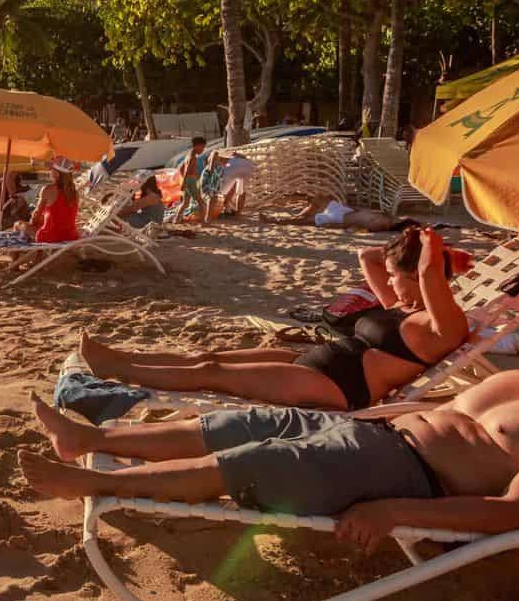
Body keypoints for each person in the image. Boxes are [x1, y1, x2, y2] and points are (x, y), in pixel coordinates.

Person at [22, 301, 519, 551]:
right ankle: (91, 440)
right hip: (374, 432)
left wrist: (393, 510)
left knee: (265, 464)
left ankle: (92, 485)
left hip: (408, 475)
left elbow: (514, 511)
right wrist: (361, 415)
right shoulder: (518, 382)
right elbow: (436, 412)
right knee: (243, 422)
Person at [75, 228, 469, 410]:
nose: (390, 284)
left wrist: (432, 242)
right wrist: (416, 244)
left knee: (212, 371)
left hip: (336, 385)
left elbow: (432, 275)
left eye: (397, 277)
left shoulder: (442, 325)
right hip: (315, 360)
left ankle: (119, 371)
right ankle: (122, 361)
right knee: (208, 356)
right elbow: (368, 258)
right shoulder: (403, 308)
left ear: (417, 275)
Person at [13, 158, 81, 243]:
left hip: (51, 236)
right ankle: (38, 256)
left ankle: (15, 256)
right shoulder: (75, 193)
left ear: (56, 173)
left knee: (17, 225)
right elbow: (64, 216)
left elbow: (36, 215)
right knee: (41, 223)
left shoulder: (48, 189)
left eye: (51, 169)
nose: (49, 171)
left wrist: (31, 224)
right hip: (71, 236)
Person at [268, 194, 410, 232]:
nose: (401, 217)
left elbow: (357, 227)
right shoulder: (384, 216)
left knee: (303, 222)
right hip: (344, 211)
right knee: (319, 198)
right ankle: (300, 215)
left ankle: (276, 221)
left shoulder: (382, 224)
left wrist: (335, 226)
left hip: (338, 218)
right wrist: (346, 206)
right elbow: (359, 211)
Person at [205, 151, 256, 221]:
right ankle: (238, 215)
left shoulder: (212, 157)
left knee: (218, 191)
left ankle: (211, 215)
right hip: (248, 165)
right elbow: (233, 187)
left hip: (233, 166)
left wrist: (210, 173)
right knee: (241, 192)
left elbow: (214, 155)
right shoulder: (235, 156)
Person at [169, 136, 209, 222]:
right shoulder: (192, 157)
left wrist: (190, 178)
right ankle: (203, 222)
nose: (203, 150)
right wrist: (185, 182)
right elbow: (186, 170)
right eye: (202, 147)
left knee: (185, 203)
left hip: (189, 180)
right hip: (190, 182)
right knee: (201, 202)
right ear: (197, 146)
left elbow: (181, 169)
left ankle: (176, 220)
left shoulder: (188, 155)